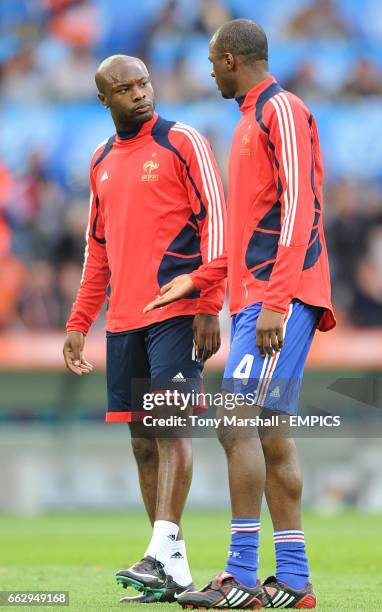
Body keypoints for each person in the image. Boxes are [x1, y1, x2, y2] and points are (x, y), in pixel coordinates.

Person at [144, 19, 335, 609]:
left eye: (210, 60)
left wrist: (276, 300)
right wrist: (200, 285)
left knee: (235, 423)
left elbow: (301, 207)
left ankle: (241, 578)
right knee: (273, 433)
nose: (207, 69)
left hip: (281, 297)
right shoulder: (249, 122)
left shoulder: (282, 109)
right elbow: (250, 229)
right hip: (259, 297)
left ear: (230, 58)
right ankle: (294, 581)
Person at [63, 54, 226, 604]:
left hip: (176, 314)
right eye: (125, 88)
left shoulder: (184, 141)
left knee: (171, 426)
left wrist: (209, 300)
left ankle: (157, 550)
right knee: (142, 441)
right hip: (124, 321)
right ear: (104, 99)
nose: (140, 94)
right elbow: (97, 251)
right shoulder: (101, 160)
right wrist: (79, 321)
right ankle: (174, 571)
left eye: (145, 83)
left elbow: (217, 222)